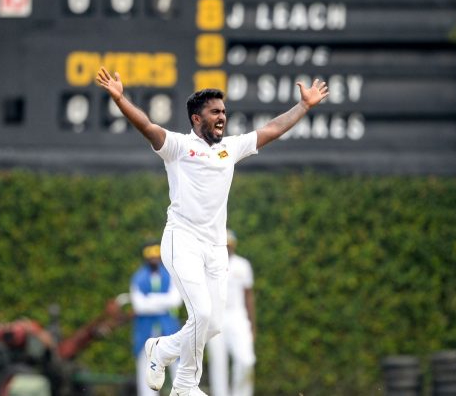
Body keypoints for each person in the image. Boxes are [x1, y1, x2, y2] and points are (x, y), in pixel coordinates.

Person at [95, 67, 328, 396]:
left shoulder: (230, 148)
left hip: (216, 248)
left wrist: (303, 106)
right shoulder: (178, 147)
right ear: (196, 118)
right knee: (201, 314)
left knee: (213, 325)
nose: (222, 117)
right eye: (215, 112)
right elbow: (146, 126)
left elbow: (272, 129)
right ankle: (185, 385)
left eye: (224, 112)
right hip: (182, 241)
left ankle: (161, 350)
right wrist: (120, 99)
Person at [207, 229, 256, 396]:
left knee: (246, 360)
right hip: (215, 317)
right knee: (218, 364)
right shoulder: (209, 265)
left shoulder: (243, 265)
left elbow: (248, 296)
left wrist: (252, 326)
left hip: (237, 315)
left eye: (229, 244)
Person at [130, 241, 183, 396]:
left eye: (156, 254)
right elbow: (139, 306)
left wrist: (151, 299)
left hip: (168, 326)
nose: (154, 258)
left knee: (177, 366)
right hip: (145, 329)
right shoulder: (138, 278)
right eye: (150, 255)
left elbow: (176, 300)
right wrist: (163, 301)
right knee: (146, 366)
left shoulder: (170, 275)